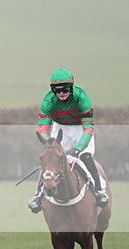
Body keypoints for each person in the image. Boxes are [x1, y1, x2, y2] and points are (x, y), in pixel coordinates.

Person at [28, 68, 109, 212]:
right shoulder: (48, 101)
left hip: (81, 129)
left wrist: (78, 149)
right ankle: (38, 195)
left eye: (65, 89)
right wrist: (49, 144)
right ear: (52, 90)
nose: (61, 93)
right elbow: (43, 128)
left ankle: (99, 190)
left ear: (71, 88)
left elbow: (89, 128)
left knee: (84, 156)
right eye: (57, 90)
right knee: (50, 156)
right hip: (61, 128)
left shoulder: (82, 98)